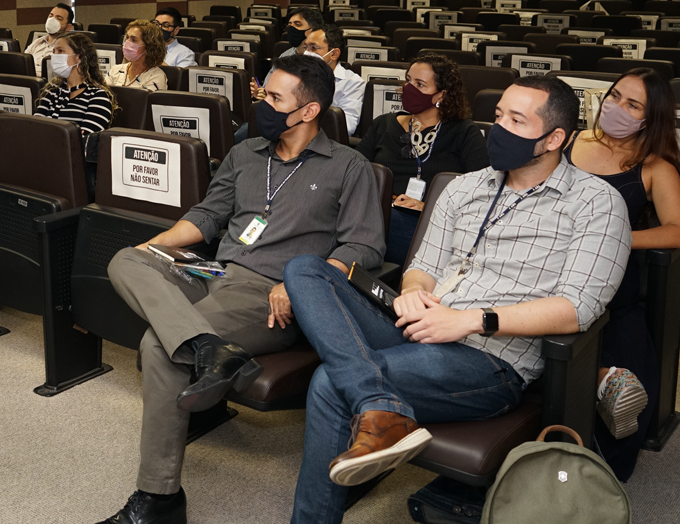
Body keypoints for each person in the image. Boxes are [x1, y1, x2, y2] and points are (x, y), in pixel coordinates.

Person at [282, 76, 631, 524]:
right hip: (416, 327)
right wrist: (411, 295)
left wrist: (469, 321)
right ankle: (383, 407)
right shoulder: (464, 188)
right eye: (499, 114)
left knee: (330, 384)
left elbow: (576, 309)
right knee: (305, 268)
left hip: (487, 358)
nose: (498, 129)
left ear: (554, 138)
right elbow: (422, 268)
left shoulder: (596, 202)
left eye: (516, 121)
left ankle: (367, 427)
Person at [96, 55, 385, 524]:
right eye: (262, 95)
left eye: (274, 98)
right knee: (126, 257)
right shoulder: (246, 151)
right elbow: (208, 215)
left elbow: (364, 245)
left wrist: (306, 282)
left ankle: (159, 500)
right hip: (215, 270)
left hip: (274, 291)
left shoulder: (349, 166)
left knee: (158, 343)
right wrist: (155, 247)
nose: (261, 105)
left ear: (308, 111)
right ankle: (212, 348)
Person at [564, 68, 680, 480]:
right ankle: (598, 379)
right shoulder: (570, 139)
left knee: (632, 382)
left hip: (610, 281)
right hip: (549, 267)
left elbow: (676, 230)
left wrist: (619, 236)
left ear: (651, 118)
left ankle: (588, 474)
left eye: (633, 105)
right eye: (615, 96)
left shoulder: (654, 166)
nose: (617, 107)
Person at [355, 53, 488, 265]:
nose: (409, 88)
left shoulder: (464, 132)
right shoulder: (383, 124)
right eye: (408, 80)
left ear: (441, 95)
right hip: (377, 213)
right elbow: (354, 171)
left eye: (420, 84)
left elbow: (483, 191)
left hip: (432, 223)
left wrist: (426, 206)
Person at [34, 33, 115, 144]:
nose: (54, 56)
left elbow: (84, 141)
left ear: (79, 57)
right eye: (54, 52)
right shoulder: (52, 90)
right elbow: (35, 127)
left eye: (60, 51)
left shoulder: (98, 96)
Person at [107, 19, 168, 92]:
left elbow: (144, 102)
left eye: (133, 40)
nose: (127, 42)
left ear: (148, 46)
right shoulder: (115, 70)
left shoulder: (156, 76)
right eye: (127, 37)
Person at [25, 2, 75, 76]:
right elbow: (23, 64)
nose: (52, 20)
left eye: (59, 18)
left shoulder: (68, 48)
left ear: (68, 27)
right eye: (51, 16)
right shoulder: (37, 42)